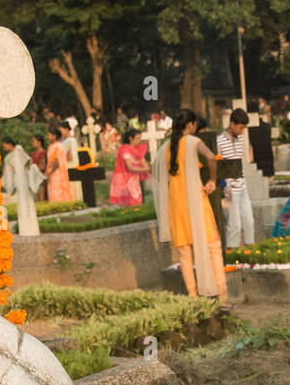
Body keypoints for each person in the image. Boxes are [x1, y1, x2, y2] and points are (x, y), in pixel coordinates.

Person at [157, 108, 228, 302]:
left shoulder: (165, 148)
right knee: (213, 246)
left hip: (176, 205)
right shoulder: (193, 142)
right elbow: (212, 158)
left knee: (185, 254)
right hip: (195, 202)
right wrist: (212, 180)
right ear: (191, 125)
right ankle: (222, 296)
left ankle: (193, 297)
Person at [217, 107, 255, 248]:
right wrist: (225, 189)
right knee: (234, 226)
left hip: (242, 187)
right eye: (240, 127)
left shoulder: (240, 139)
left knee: (249, 222)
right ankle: (233, 255)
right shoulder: (219, 141)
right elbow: (219, 166)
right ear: (232, 124)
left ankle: (251, 253)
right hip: (230, 190)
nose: (242, 131)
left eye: (244, 128)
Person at [109, 128, 150, 206]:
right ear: (131, 138)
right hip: (125, 180)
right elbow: (129, 167)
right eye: (137, 138)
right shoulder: (125, 149)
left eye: (140, 138)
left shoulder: (139, 149)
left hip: (136, 180)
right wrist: (147, 169)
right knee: (129, 204)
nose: (139, 141)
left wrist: (148, 168)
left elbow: (144, 163)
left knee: (138, 203)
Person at [45, 124, 72, 202]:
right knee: (52, 191)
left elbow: (57, 162)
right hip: (51, 173)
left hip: (56, 173)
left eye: (49, 135)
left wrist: (50, 173)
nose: (47, 137)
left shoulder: (58, 146)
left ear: (54, 136)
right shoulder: (51, 147)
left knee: (57, 191)